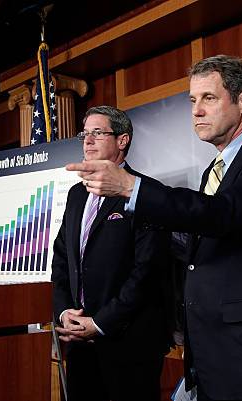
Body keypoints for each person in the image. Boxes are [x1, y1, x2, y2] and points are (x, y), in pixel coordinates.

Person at [67, 56, 242, 401]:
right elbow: (195, 243)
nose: (196, 111)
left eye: (208, 98)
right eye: (192, 100)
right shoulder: (215, 168)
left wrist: (132, 188)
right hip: (210, 359)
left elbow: (223, 214)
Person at [52, 105, 171, 401]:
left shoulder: (145, 192)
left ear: (122, 141)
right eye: (84, 134)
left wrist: (101, 323)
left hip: (129, 347)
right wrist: (66, 312)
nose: (87, 141)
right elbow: (61, 259)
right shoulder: (76, 194)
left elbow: (147, 271)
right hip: (80, 344)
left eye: (97, 133)